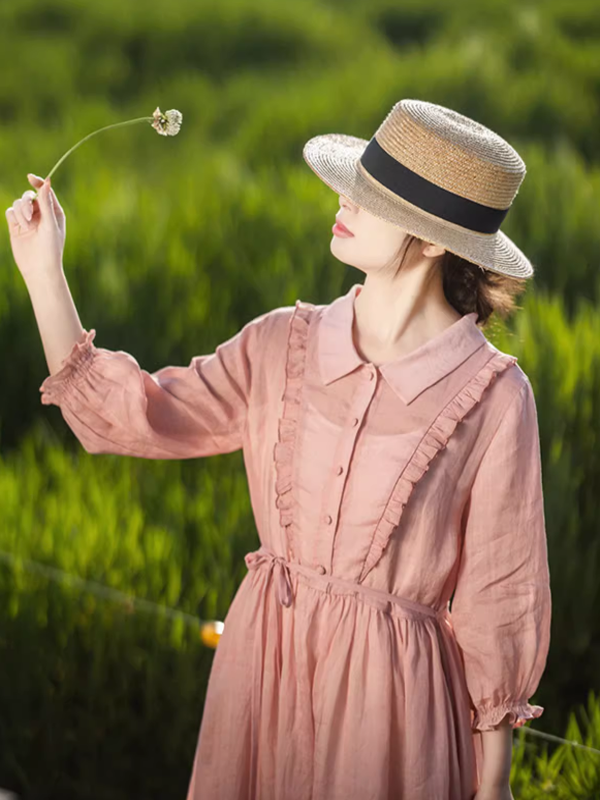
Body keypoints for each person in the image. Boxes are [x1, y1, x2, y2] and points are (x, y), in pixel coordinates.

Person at [6, 98, 551, 800]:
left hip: (393, 722)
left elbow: (500, 602)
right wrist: (44, 272)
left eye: (369, 195)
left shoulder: (494, 398)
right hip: (260, 679)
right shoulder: (279, 345)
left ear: (434, 239)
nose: (341, 200)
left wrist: (493, 786)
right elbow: (128, 418)